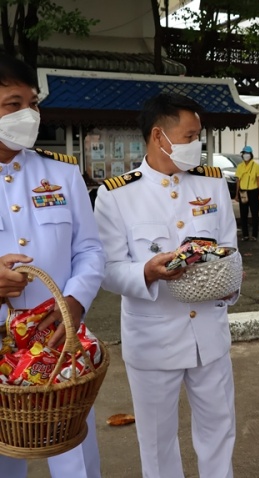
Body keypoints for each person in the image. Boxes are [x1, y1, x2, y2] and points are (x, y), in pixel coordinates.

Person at [94, 92, 238, 477]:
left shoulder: (212, 185)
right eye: (189, 137)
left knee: (220, 431)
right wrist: (148, 271)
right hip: (153, 338)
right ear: (159, 136)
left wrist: (228, 283)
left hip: (209, 333)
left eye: (197, 137)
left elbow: (229, 250)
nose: (196, 145)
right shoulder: (117, 195)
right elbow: (107, 269)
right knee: (157, 442)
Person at [0, 54, 105, 478]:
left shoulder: (61, 174)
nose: (28, 114)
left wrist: (76, 301)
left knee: (74, 456)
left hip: (59, 339)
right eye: (13, 104)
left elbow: (90, 249)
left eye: (33, 103)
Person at [235, 145, 259, 241]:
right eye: (244, 153)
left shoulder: (256, 166)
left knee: (255, 214)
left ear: (251, 155)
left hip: (253, 192)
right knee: (243, 214)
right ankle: (245, 235)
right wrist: (236, 194)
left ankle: (254, 235)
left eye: (247, 153)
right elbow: (238, 181)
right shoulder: (240, 166)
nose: (246, 155)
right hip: (243, 192)